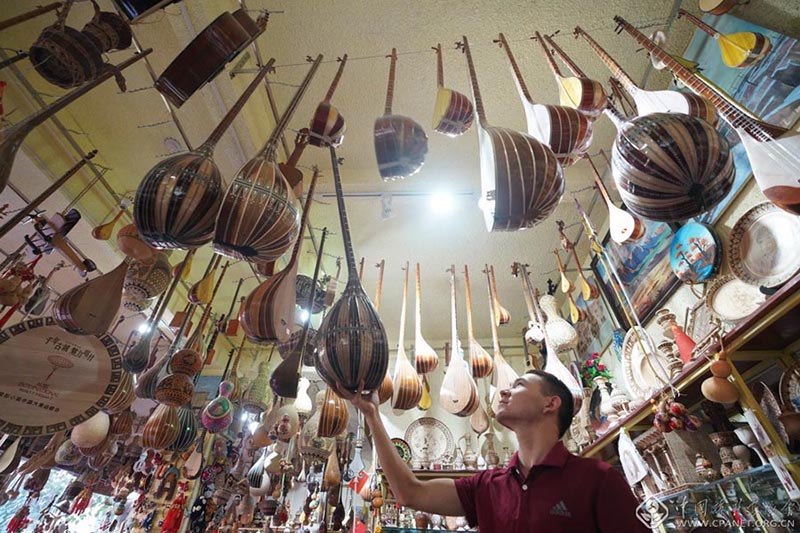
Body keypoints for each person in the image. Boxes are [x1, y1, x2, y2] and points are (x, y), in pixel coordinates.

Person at [338, 369, 649, 532]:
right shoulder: (486, 485)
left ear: (550, 403)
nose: (502, 391)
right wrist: (371, 415)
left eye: (517, 385)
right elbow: (410, 493)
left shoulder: (598, 479)